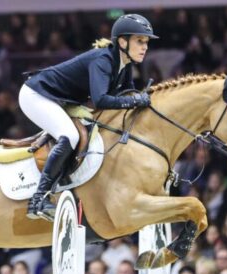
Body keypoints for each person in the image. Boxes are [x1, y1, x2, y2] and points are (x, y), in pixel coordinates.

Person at [20, 14, 157, 219]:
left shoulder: (125, 63)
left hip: (60, 100)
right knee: (70, 136)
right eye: (140, 41)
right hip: (37, 95)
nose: (145, 47)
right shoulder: (103, 60)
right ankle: (38, 200)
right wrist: (137, 101)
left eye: (146, 42)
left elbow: (126, 94)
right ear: (122, 41)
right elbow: (101, 100)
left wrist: (141, 99)